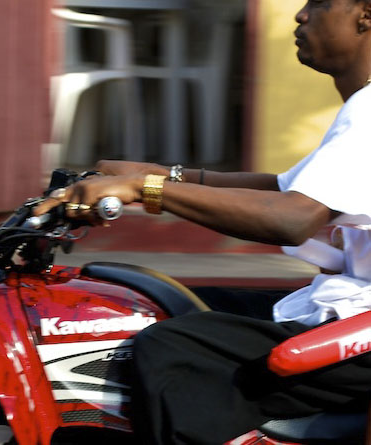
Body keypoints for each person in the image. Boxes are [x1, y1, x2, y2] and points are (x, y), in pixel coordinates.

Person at [36, 0, 371, 442]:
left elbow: (291, 218)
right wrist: (157, 174)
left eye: (321, 3)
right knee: (158, 303)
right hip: (347, 310)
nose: (301, 15)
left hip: (358, 339)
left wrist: (145, 190)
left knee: (171, 350)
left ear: (365, 14)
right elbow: (280, 187)